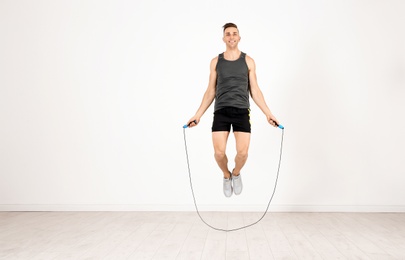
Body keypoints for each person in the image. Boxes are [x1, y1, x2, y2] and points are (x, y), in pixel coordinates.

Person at [186, 22, 280, 198]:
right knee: (219, 153)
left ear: (239, 37)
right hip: (221, 110)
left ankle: (236, 173)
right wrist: (197, 115)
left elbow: (255, 91)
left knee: (242, 153)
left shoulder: (248, 61)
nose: (231, 36)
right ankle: (226, 175)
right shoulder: (216, 62)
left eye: (234, 33)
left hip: (242, 111)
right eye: (228, 34)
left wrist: (268, 113)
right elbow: (210, 91)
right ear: (223, 38)